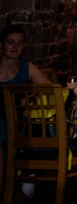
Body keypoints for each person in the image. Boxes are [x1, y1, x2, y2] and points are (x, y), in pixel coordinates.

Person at [1, 24, 52, 195]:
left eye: (20, 43)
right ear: (1, 45)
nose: (15, 47)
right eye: (11, 42)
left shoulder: (26, 67)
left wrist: (29, 98)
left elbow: (51, 90)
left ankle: (9, 192)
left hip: (17, 125)